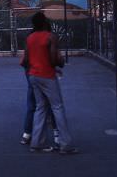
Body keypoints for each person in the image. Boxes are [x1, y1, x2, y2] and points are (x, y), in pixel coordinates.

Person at [23, 11, 78, 154]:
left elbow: (26, 60)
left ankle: (36, 144)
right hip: (47, 75)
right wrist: (60, 63)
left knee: (40, 108)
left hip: (33, 76)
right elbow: (54, 59)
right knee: (57, 108)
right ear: (44, 22)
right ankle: (66, 145)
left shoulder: (29, 38)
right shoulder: (50, 37)